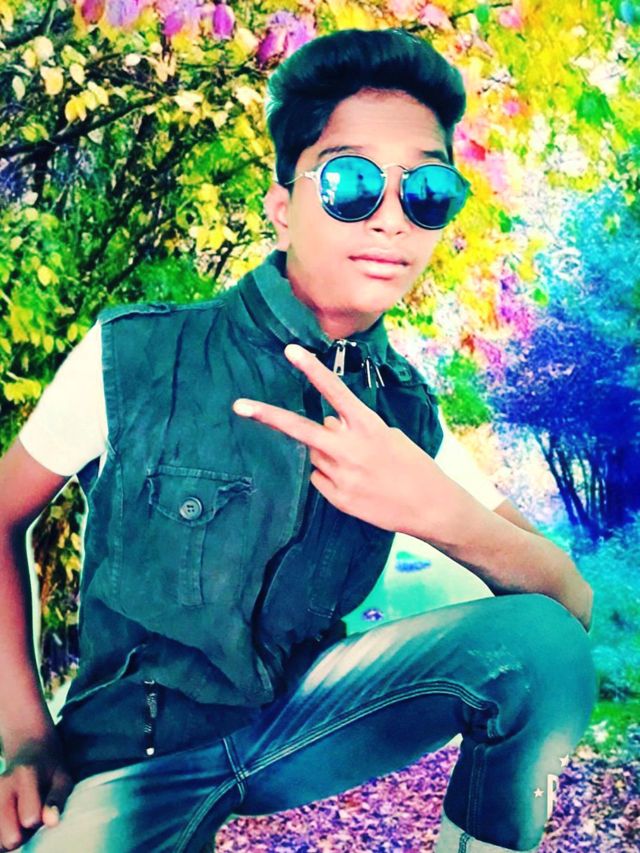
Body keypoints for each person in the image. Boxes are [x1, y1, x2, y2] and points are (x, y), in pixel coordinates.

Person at [0, 27, 596, 853]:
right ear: (283, 207)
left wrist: (437, 510)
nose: (391, 220)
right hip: (129, 755)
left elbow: (566, 608)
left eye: (426, 191)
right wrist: (25, 736)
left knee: (535, 651)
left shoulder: (404, 412)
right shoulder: (138, 356)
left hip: (298, 726)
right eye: (353, 182)